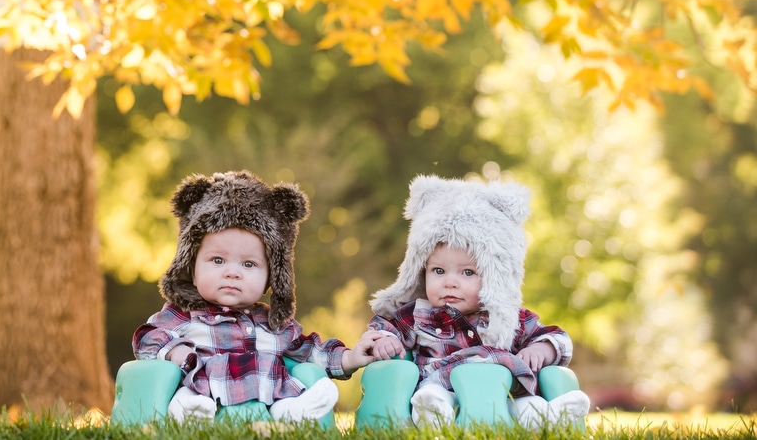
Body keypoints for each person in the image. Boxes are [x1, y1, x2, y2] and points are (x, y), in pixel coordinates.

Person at [133, 170, 384, 422]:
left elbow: (310, 351)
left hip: (267, 399)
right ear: (192, 269)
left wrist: (351, 358)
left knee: (279, 378)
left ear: (271, 277)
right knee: (188, 392)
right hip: (203, 394)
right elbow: (147, 337)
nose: (232, 273)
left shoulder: (273, 324)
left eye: (249, 265)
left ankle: (290, 412)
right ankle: (189, 412)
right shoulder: (184, 315)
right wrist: (177, 352)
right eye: (217, 260)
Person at [366, 174, 591, 428]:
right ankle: (433, 416)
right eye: (438, 271)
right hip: (442, 388)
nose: (450, 282)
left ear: (496, 278)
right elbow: (385, 327)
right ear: (421, 271)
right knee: (432, 397)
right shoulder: (417, 315)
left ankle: (550, 417)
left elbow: (559, 337)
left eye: (468, 273)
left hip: (503, 395)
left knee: (528, 404)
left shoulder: (508, 318)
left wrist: (542, 349)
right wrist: (385, 340)